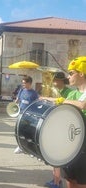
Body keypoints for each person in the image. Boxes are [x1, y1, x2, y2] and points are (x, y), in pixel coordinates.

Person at [56, 56, 86, 188]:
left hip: (84, 145)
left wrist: (61, 101)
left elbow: (82, 105)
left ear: (81, 73)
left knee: (81, 182)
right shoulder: (72, 94)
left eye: (71, 73)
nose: (68, 77)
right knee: (70, 181)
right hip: (71, 143)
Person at [40, 72, 73, 188]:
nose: (53, 83)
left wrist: (46, 98)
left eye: (55, 81)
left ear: (61, 81)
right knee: (54, 156)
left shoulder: (69, 92)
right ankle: (56, 180)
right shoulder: (59, 90)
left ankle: (57, 182)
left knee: (57, 156)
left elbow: (61, 102)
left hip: (65, 127)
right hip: (58, 125)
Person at [14, 75, 39, 154]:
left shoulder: (34, 93)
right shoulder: (21, 90)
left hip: (28, 115)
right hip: (20, 114)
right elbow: (18, 100)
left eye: (24, 83)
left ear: (30, 83)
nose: (23, 84)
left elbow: (36, 104)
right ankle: (20, 146)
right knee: (18, 131)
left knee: (25, 132)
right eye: (22, 83)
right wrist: (15, 103)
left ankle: (24, 147)